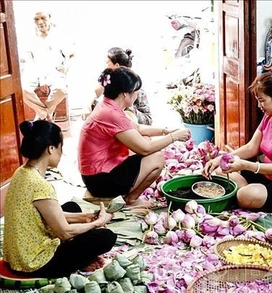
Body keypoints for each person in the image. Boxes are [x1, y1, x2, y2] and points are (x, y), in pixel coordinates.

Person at [3, 120, 116, 278]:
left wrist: (84, 217)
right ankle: (79, 262)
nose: (61, 153)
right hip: (35, 265)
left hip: (17, 258)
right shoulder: (40, 185)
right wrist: (97, 223)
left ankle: (81, 256)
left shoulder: (22, 172)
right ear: (51, 148)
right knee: (106, 237)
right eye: (60, 148)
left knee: (72, 207)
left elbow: (46, 214)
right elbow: (64, 232)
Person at [78, 67, 191, 207]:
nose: (138, 94)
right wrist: (174, 137)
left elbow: (138, 128)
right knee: (157, 158)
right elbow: (145, 150)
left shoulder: (108, 106)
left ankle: (129, 194)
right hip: (99, 181)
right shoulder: (110, 114)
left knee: (146, 140)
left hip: (98, 171)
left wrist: (166, 131)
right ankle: (131, 199)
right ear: (125, 94)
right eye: (136, 91)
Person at [203, 72, 272, 211]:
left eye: (262, 100)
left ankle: (245, 195)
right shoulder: (269, 116)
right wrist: (221, 159)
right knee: (220, 171)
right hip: (267, 176)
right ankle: (245, 195)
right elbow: (251, 147)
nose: (259, 105)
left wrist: (247, 165)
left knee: (247, 193)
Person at [21, 11, 74, 121]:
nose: (40, 22)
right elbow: (28, 59)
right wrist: (39, 77)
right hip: (34, 71)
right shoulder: (30, 38)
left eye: (43, 18)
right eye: (36, 19)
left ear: (49, 18)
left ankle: (42, 116)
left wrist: (66, 67)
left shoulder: (59, 36)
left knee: (61, 90)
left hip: (54, 72)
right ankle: (45, 114)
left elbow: (72, 55)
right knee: (22, 89)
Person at [89, 47, 153, 125]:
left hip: (139, 119)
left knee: (123, 106)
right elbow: (96, 91)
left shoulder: (131, 81)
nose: (105, 65)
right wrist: (87, 106)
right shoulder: (109, 79)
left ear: (116, 65)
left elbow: (145, 117)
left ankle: (131, 133)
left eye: (107, 62)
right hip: (121, 117)